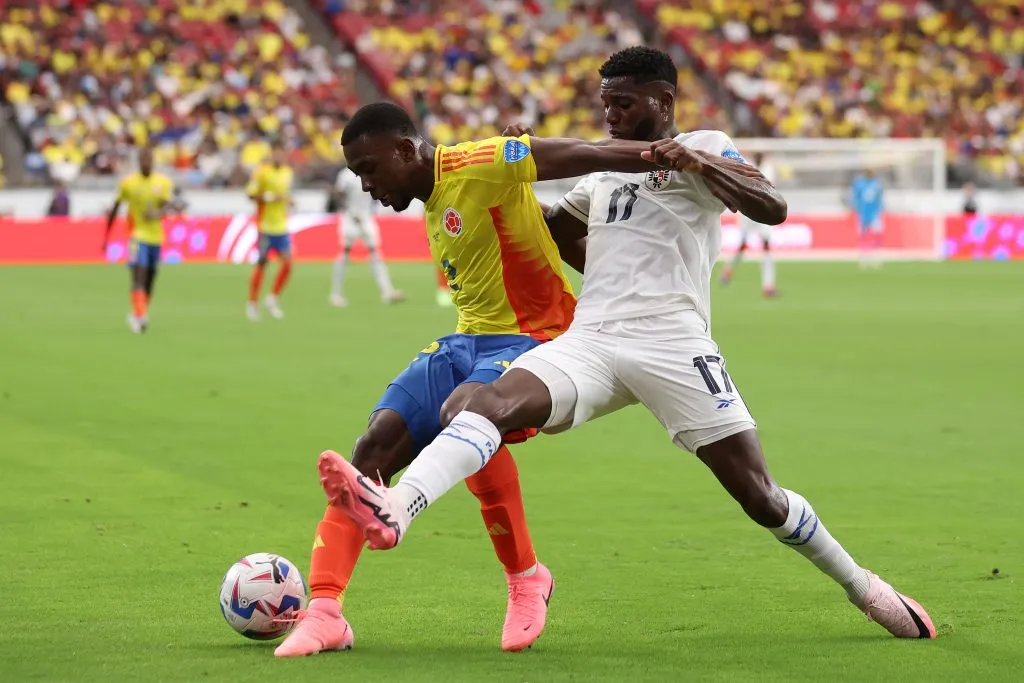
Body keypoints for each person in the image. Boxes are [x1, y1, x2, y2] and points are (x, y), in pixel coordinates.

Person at [321, 47, 937, 641]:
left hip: (672, 339)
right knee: (480, 403)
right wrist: (511, 185)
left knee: (759, 496)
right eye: (605, 104)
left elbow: (772, 207)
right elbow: (555, 232)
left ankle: (862, 587)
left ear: (662, 100)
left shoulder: (703, 146)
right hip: (591, 337)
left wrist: (703, 166)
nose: (610, 116)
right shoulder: (612, 167)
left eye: (621, 104)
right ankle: (397, 507)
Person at [274, 100, 677, 658]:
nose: (365, 185)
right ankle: (325, 612)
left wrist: (667, 155)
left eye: (369, 168)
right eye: (356, 174)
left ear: (405, 149)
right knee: (371, 448)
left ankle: (525, 576)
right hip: (468, 341)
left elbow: (583, 154)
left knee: (467, 411)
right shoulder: (433, 198)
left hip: (537, 338)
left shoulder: (480, 160)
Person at [102, 147, 173, 334]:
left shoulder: (162, 182)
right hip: (137, 235)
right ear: (138, 161)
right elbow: (116, 207)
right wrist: (106, 236)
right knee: (139, 276)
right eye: (143, 159)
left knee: (150, 278)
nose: (146, 163)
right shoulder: (129, 183)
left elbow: (166, 206)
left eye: (149, 159)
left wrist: (157, 213)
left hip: (156, 237)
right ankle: (140, 316)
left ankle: (140, 313)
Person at [329, 164, 404, 307]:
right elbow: (338, 194)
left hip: (366, 217)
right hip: (349, 217)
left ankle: (387, 292)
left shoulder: (370, 172)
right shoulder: (345, 175)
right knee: (345, 251)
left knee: (375, 251)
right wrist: (349, 211)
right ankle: (336, 294)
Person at [246, 148, 294, 321]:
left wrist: (289, 200)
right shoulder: (262, 173)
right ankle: (252, 303)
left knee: (288, 264)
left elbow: (285, 194)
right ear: (272, 155)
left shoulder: (288, 172)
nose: (280, 158)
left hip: (281, 226)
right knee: (262, 264)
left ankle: (272, 298)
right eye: (277, 154)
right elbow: (250, 194)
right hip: (265, 226)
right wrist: (269, 197)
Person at [719, 152, 777, 296]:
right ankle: (728, 269)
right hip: (748, 213)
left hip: (763, 212)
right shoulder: (747, 165)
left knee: (766, 246)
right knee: (743, 246)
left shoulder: (768, 168)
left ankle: (768, 285)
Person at [851, 169, 884, 269]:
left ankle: (876, 255)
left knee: (877, 234)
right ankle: (864, 256)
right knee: (863, 235)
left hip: (873, 213)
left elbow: (879, 198)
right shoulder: (860, 184)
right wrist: (856, 208)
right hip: (864, 213)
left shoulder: (876, 184)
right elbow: (856, 197)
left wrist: (880, 209)